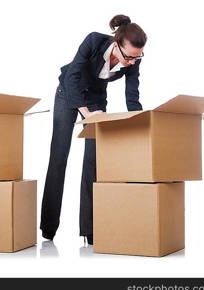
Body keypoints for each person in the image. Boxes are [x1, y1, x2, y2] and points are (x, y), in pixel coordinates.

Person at [40, 14, 147, 245]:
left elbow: (132, 95)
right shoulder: (93, 41)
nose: (131, 62)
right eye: (129, 57)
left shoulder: (134, 59)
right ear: (116, 44)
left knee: (94, 160)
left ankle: (90, 230)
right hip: (69, 93)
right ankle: (48, 228)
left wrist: (138, 122)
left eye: (137, 58)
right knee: (59, 156)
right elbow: (74, 75)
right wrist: (86, 113)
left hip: (97, 99)